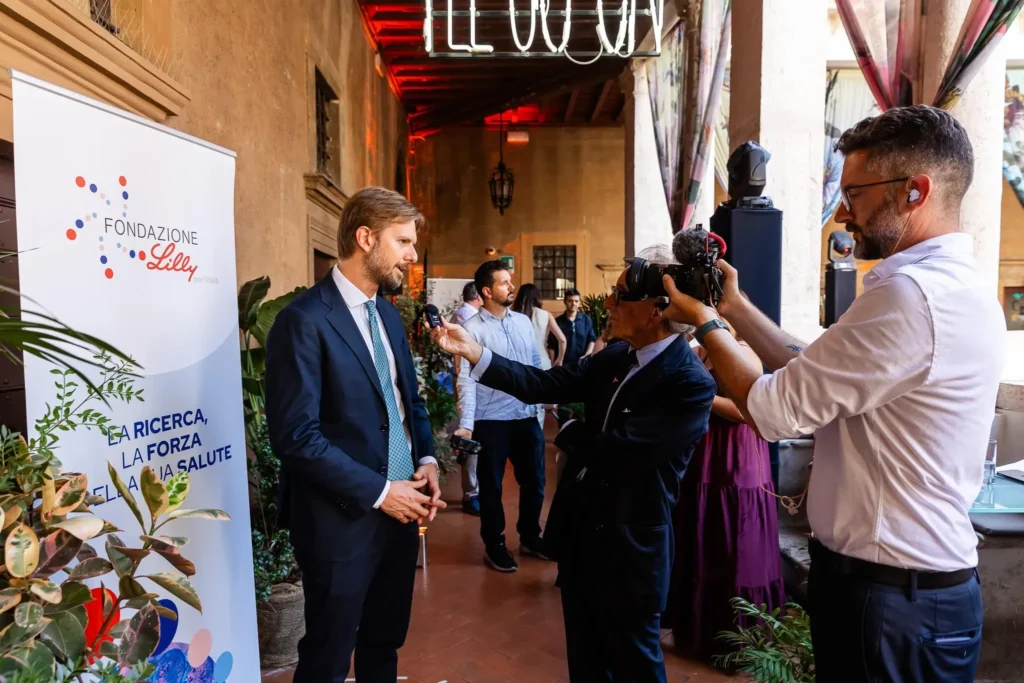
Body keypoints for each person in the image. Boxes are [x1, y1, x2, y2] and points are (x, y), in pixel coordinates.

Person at [661, 105, 1006, 682]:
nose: (843, 212)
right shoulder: (954, 287)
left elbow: (771, 410)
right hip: (906, 590)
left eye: (854, 193)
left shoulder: (911, 296)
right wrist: (735, 308)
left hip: (891, 597)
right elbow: (812, 367)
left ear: (915, 192)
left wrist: (704, 321)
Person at [432, 245, 716, 682]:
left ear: (657, 309)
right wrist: (475, 352)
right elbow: (542, 383)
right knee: (585, 661)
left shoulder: (688, 382)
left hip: (630, 549)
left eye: (620, 295)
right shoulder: (617, 356)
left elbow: (619, 454)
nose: (608, 303)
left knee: (636, 665)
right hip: (582, 535)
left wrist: (568, 431)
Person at [265, 187, 445, 682]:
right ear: (366, 238)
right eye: (403, 242)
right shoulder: (301, 321)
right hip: (338, 520)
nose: (412, 255)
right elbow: (295, 437)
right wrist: (382, 492)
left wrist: (426, 460)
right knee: (327, 655)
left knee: (384, 644)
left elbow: (409, 403)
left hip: (402, 514)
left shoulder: (386, 313)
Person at [666, 324, 785, 661]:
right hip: (703, 455)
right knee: (703, 540)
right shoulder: (699, 350)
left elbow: (746, 411)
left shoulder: (744, 352)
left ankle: (739, 643)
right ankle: (698, 632)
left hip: (735, 459)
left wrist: (702, 395)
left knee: (737, 544)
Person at [455, 260, 548, 572]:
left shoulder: (523, 322)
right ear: (486, 291)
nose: (512, 286)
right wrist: (466, 425)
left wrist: (541, 402)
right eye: (504, 282)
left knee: (535, 481)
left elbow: (535, 363)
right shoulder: (472, 329)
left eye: (510, 281)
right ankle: (494, 544)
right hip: (491, 419)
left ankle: (530, 536)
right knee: (491, 486)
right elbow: (466, 380)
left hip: (526, 415)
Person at [513, 283, 567, 428]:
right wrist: (559, 359)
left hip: (520, 362)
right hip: (542, 361)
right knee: (539, 404)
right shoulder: (546, 315)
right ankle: (537, 432)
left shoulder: (514, 315)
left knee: (519, 400)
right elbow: (562, 339)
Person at [451, 281, 484, 515]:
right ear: (479, 296)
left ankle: (473, 490)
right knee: (471, 437)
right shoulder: (468, 317)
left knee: (473, 437)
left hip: (468, 381)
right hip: (471, 382)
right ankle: (471, 493)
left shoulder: (460, 314)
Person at [549, 288, 596, 425]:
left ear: (579, 302)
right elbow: (551, 345)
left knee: (582, 399)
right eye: (570, 301)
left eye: (576, 301)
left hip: (582, 366)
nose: (573, 304)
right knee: (564, 401)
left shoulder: (586, 320)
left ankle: (581, 429)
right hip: (564, 367)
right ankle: (563, 427)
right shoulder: (558, 321)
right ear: (565, 302)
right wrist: (553, 363)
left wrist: (587, 356)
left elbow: (592, 339)